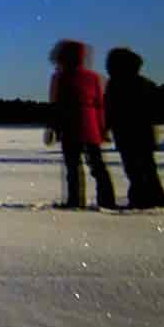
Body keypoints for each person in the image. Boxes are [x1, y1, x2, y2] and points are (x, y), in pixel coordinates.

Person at [45, 39, 117, 210]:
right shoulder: (93, 77)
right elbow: (100, 105)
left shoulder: (59, 78)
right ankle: (107, 200)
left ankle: (75, 200)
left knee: (73, 167)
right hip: (91, 128)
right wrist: (102, 128)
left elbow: (55, 106)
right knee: (98, 167)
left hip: (70, 128)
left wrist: (52, 127)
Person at [105, 47, 164, 209]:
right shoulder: (145, 84)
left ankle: (140, 200)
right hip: (143, 133)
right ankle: (156, 199)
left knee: (135, 169)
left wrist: (105, 127)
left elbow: (110, 109)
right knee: (148, 168)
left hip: (126, 133)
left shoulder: (115, 85)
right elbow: (155, 109)